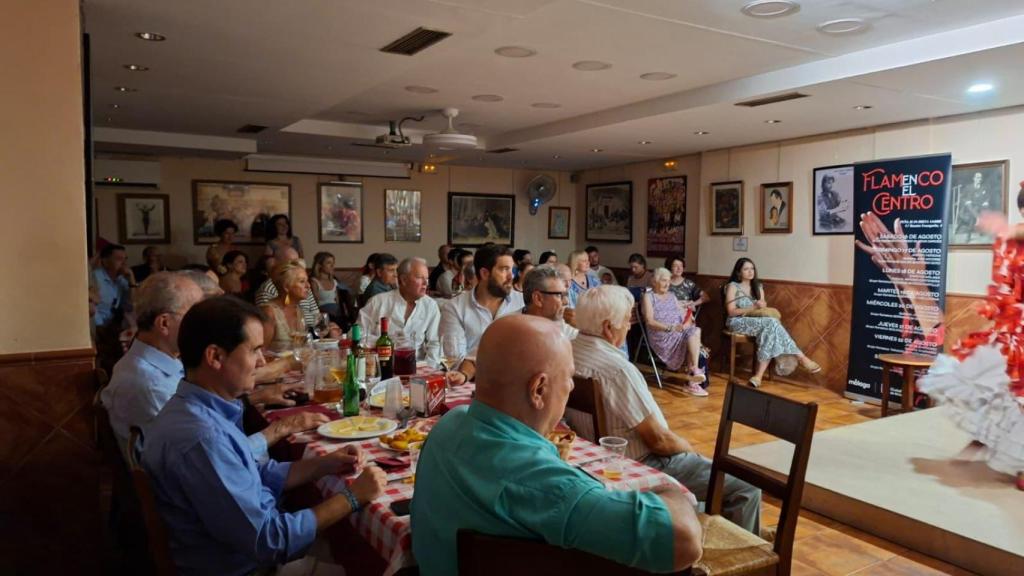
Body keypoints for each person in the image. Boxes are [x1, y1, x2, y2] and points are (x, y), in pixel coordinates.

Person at [411, 315, 702, 575]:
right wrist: (669, 490)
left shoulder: (446, 427)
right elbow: (684, 541)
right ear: (538, 390)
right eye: (568, 378)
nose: (572, 386)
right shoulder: (548, 487)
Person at [141, 296, 387, 575]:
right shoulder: (204, 438)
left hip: (236, 549)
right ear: (215, 357)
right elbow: (269, 541)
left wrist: (324, 464)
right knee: (375, 561)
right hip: (247, 567)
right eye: (255, 350)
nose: (261, 362)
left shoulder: (193, 409)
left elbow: (253, 473)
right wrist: (353, 497)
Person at [572, 285, 761, 533]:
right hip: (638, 460)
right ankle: (738, 561)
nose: (629, 326)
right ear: (609, 327)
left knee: (706, 479)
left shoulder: (571, 349)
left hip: (599, 452)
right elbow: (659, 441)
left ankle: (700, 532)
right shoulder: (617, 370)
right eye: (627, 320)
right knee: (746, 488)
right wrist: (690, 451)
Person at [101, 272, 323, 460]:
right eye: (197, 313)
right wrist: (280, 428)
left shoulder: (161, 363)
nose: (211, 321)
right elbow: (215, 457)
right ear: (164, 323)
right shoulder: (151, 384)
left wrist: (255, 397)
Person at [724, 258, 820, 387]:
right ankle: (801, 357)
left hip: (759, 322)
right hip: (737, 321)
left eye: (752, 268)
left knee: (770, 327)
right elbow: (731, 312)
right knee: (772, 324)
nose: (750, 272)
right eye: (746, 269)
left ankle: (758, 377)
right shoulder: (733, 286)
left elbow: (762, 310)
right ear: (739, 272)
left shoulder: (758, 287)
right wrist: (753, 307)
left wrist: (760, 306)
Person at [440, 244, 524, 385]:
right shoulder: (455, 307)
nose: (512, 277)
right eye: (504, 270)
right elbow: (455, 360)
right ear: (485, 273)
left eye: (513, 269)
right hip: (470, 384)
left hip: (514, 384)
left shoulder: (523, 303)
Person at [360, 257, 441, 366]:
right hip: (381, 366)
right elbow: (356, 335)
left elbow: (435, 343)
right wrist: (387, 343)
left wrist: (430, 369)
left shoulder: (430, 305)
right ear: (403, 280)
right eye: (419, 278)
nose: (426, 283)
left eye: (427, 278)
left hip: (417, 368)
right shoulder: (378, 302)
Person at [643, 268, 707, 395]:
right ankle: (692, 379)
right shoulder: (648, 297)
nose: (667, 284)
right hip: (661, 336)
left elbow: (683, 315)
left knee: (694, 330)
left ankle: (693, 371)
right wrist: (670, 328)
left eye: (668, 281)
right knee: (692, 337)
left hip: (677, 333)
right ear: (655, 282)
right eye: (663, 280)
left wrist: (686, 323)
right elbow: (649, 321)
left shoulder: (672, 296)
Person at [254, 247, 320, 327]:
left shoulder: (302, 288)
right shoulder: (267, 290)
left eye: (297, 261)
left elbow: (318, 316)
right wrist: (312, 319)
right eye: (292, 262)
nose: (297, 265)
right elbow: (269, 322)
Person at [259, 260, 311, 354]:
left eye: (307, 281)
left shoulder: (299, 310)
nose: (308, 286)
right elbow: (260, 353)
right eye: (302, 282)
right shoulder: (269, 312)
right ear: (286, 287)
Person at [522, 264, 577, 341]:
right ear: (538, 298)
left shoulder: (566, 325)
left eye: (566, 295)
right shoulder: (508, 328)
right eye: (559, 295)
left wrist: (582, 327)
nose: (566, 302)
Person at [310, 251, 341, 319]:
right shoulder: (314, 282)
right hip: (323, 313)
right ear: (320, 265)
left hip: (335, 312)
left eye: (333, 263)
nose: (332, 266)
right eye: (328, 263)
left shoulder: (334, 281)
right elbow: (315, 304)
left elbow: (337, 302)